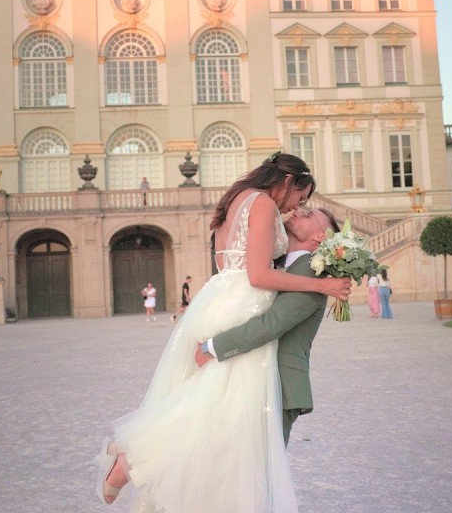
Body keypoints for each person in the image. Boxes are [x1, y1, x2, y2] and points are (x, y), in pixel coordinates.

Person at [96, 152, 351, 510]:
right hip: (245, 303)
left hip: (221, 299)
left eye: (306, 204)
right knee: (220, 411)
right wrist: (324, 287)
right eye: (301, 196)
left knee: (209, 405)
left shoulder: (237, 200)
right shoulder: (262, 204)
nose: (299, 206)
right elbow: (259, 275)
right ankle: (134, 457)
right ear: (287, 182)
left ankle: (138, 458)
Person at [194, 206, 339, 444]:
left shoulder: (312, 271)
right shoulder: (280, 266)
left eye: (310, 215)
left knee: (262, 473)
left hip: (281, 386)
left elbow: (272, 323)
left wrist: (212, 347)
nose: (300, 211)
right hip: (258, 379)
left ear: (320, 237)